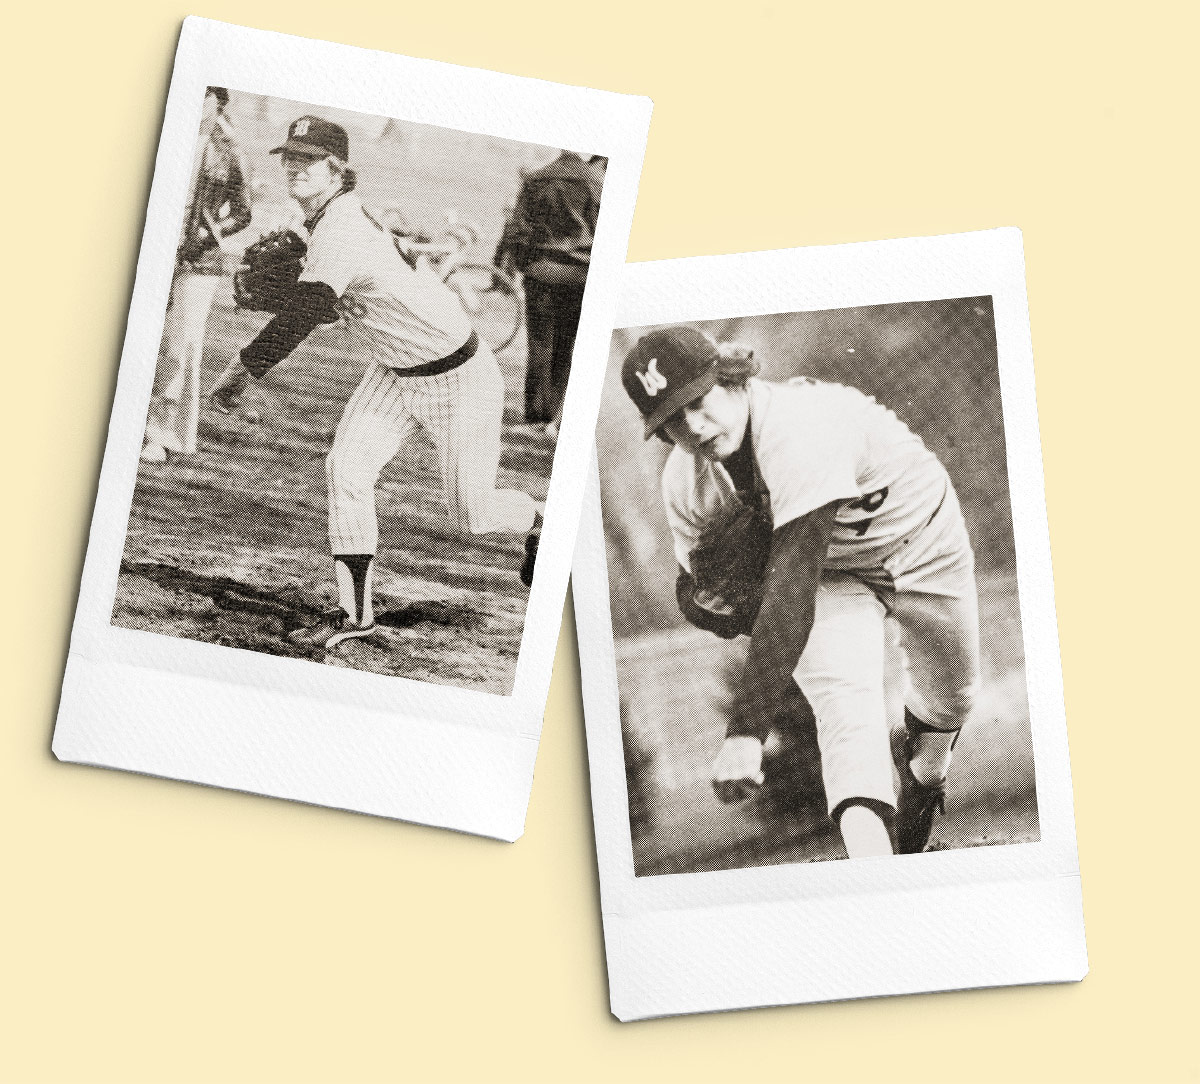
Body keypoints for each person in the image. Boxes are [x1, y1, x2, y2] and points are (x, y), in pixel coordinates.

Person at [621, 326, 982, 858]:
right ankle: (879, 880)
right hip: (833, 575)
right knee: (844, 714)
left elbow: (790, 584)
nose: (692, 426)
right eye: (671, 419)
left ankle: (924, 775)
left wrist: (746, 732)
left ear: (730, 377)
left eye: (698, 401)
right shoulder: (685, 481)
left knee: (953, 697)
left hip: (921, 537)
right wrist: (723, 602)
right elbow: (696, 593)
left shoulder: (797, 424)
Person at [210, 115, 543, 649]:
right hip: (392, 370)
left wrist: (239, 373)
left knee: (472, 516)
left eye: (307, 160)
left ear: (336, 169)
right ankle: (356, 614)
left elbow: (305, 313)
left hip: (459, 377)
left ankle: (536, 519)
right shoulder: (326, 219)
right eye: (289, 157)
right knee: (346, 469)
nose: (294, 167)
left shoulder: (339, 227)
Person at [141, 86, 251, 463]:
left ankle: (163, 433)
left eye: (206, 95)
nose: (196, 101)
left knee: (179, 345)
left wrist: (207, 235)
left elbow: (243, 211)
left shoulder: (228, 149)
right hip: (154, 248)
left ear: (218, 102)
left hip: (198, 261)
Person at [496, 151, 604, 435]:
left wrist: (522, 265)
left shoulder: (537, 177)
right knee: (567, 348)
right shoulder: (596, 181)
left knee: (540, 343)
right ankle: (556, 417)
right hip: (580, 276)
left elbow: (517, 230)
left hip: (541, 274)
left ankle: (536, 415)